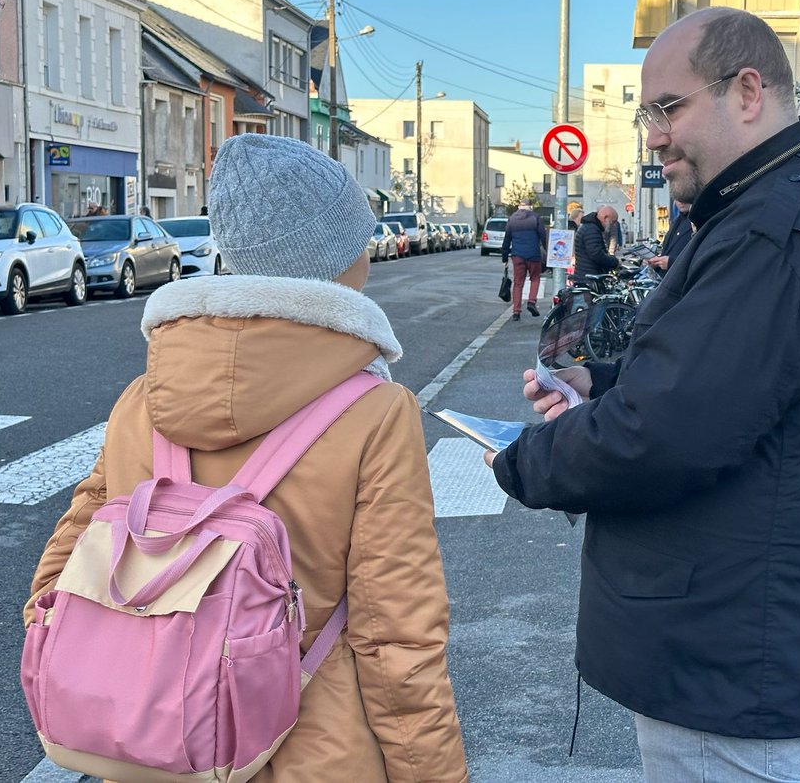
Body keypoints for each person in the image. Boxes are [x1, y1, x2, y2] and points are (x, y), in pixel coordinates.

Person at [486, 8, 800, 782]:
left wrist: (523, 458)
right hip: (736, 637)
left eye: (669, 108)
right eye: (649, 113)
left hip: (733, 651)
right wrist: (603, 383)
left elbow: (665, 433)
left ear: (748, 91)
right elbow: (730, 390)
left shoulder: (779, 226)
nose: (653, 135)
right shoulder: (784, 204)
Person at [25, 134, 469, 783]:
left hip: (160, 743)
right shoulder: (375, 412)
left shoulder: (144, 399)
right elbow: (396, 635)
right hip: (316, 750)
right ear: (336, 259)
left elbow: (64, 566)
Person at [501, 197, 547, 320]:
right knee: (535, 278)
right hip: (533, 254)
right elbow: (543, 236)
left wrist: (504, 258)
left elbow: (507, 240)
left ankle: (516, 312)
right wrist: (547, 251)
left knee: (518, 283)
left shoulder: (512, 219)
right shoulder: (535, 218)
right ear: (530, 207)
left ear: (519, 207)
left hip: (518, 255)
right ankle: (531, 301)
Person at [645, 199, 692, 274]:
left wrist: (670, 262)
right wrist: (657, 263)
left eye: (684, 197)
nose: (681, 201)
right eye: (677, 197)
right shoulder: (677, 221)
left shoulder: (698, 223)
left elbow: (699, 260)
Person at [572, 206, 619, 280]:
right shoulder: (591, 230)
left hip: (585, 275)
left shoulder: (590, 227)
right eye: (612, 221)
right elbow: (597, 255)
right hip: (589, 278)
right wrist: (614, 262)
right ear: (605, 218)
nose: (613, 225)